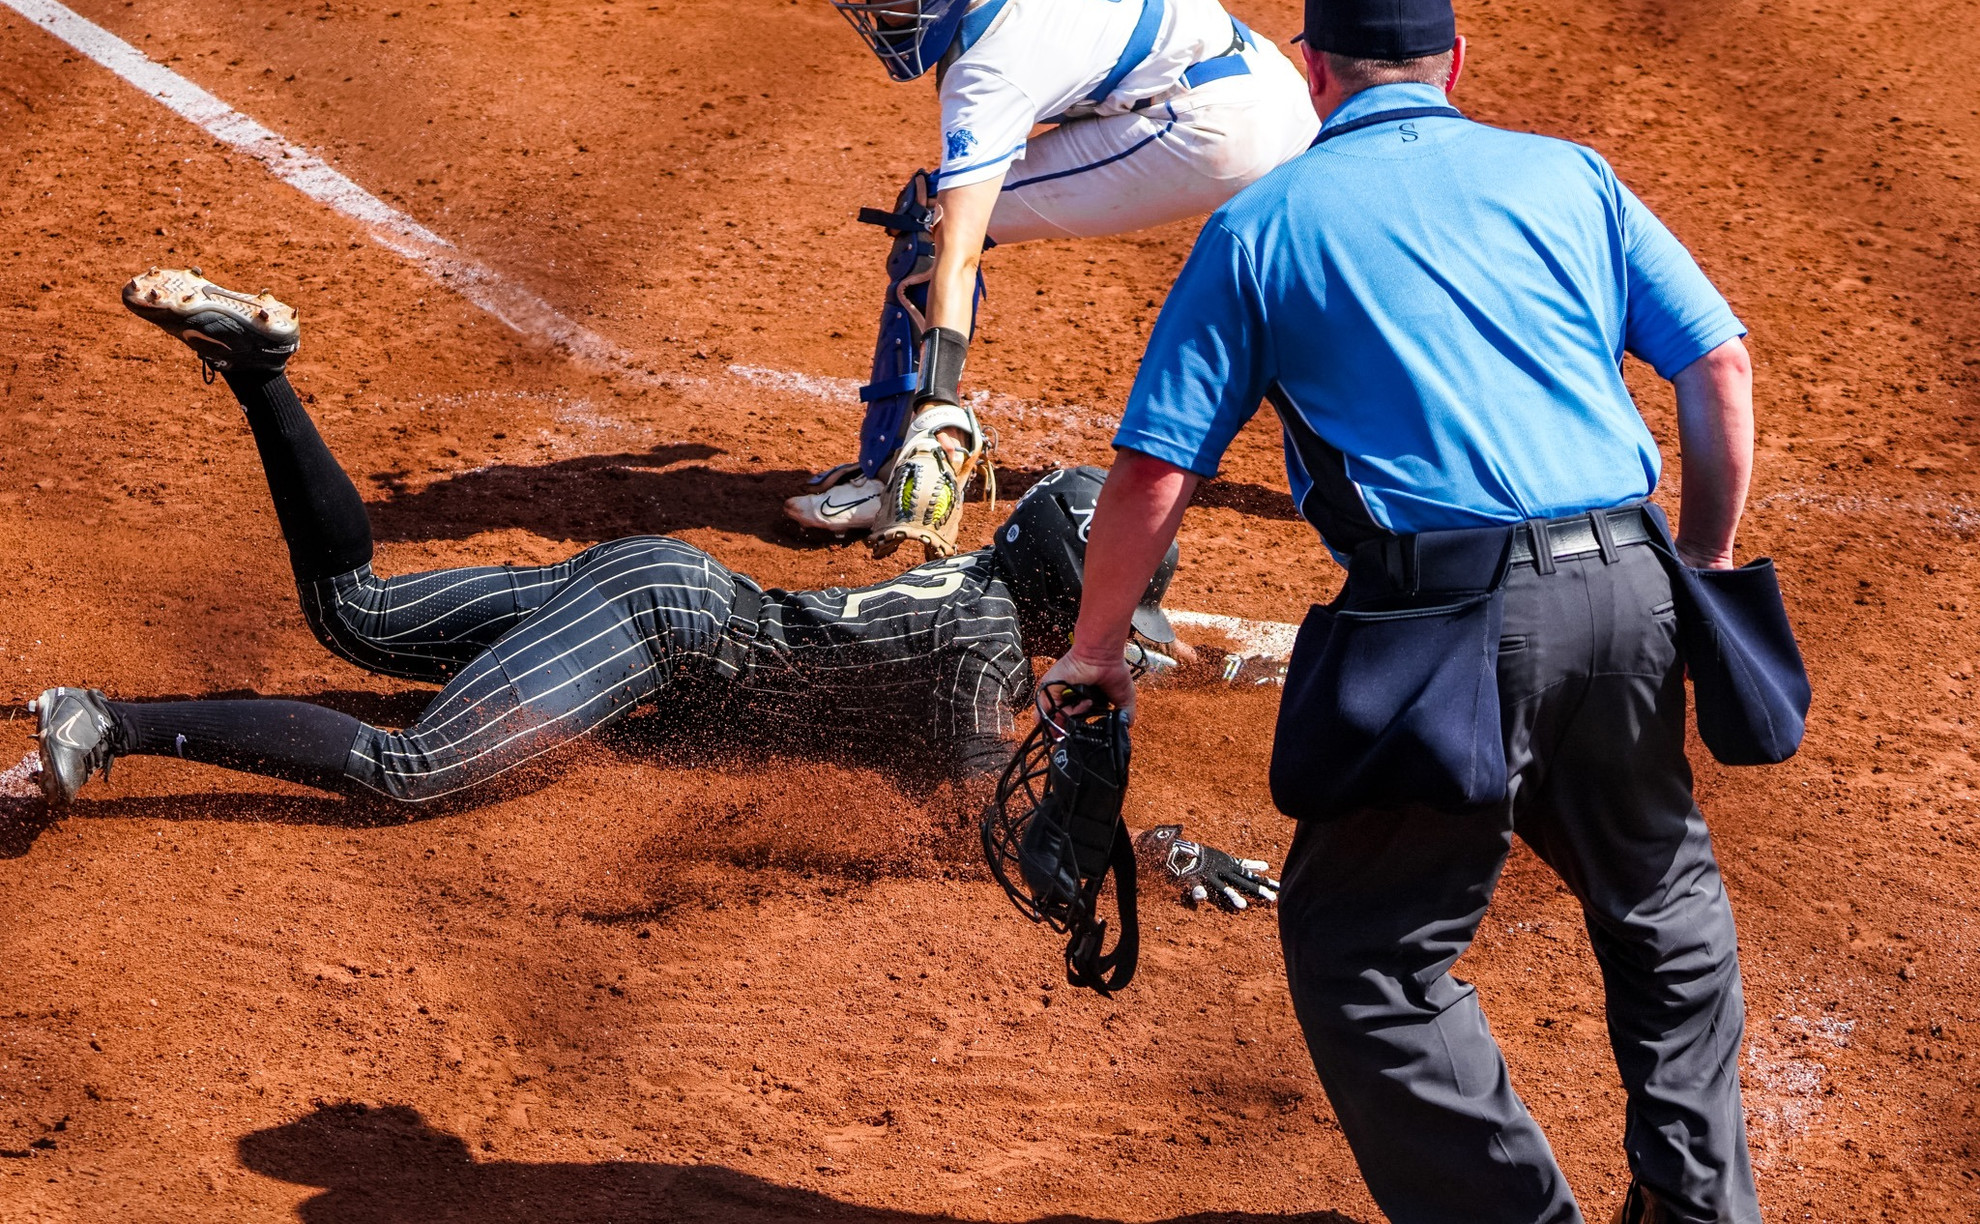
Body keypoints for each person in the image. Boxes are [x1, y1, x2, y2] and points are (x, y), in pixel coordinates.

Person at [1038, 0, 1761, 1224]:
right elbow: (1717, 367)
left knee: (1364, 954)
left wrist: (1097, 648)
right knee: (1665, 911)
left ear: (1313, 72)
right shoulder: (1570, 174)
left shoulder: (1262, 223)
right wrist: (1696, 561)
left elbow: (1156, 470)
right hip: (1631, 586)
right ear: (1454, 62)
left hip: (1453, 626)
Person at [28, 270, 1270, 910]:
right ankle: (115, 722)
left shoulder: (982, 599)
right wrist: (1150, 855)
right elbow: (993, 830)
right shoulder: (986, 654)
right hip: (659, 623)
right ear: (1073, 584)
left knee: (353, 616)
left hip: (667, 580)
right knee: (409, 775)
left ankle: (259, 373)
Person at [784, 0, 1316, 559]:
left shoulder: (992, 70)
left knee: (928, 223)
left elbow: (958, 250)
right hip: (1276, 87)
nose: (881, 6)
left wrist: (940, 402)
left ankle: (892, 467)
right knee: (1302, 286)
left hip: (1209, 132)